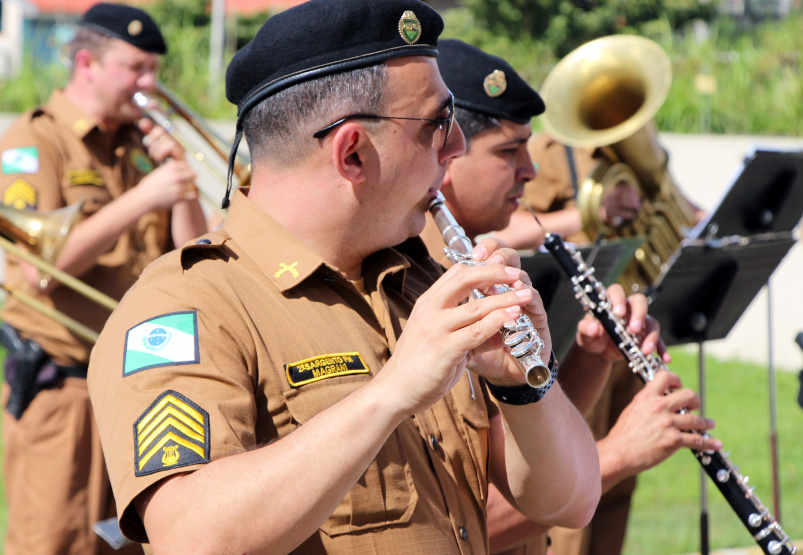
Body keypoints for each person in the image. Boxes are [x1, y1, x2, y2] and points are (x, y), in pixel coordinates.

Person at [87, 0, 604, 553]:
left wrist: (525, 384)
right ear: (353, 152)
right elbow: (189, 537)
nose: (454, 149)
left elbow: (567, 502)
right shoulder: (187, 304)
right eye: (438, 124)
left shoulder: (419, 282)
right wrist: (393, 392)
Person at [428, 39, 721, 555]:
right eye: (507, 151)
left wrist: (592, 356)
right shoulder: (426, 286)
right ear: (447, 154)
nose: (530, 170)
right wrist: (617, 454)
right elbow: (461, 523)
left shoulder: (479, 267)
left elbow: (527, 437)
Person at [0, 4, 209, 554]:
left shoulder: (140, 143)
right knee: (56, 543)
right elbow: (38, 271)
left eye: (154, 70)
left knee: (134, 544)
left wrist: (176, 182)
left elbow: (195, 261)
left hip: (144, 382)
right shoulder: (35, 143)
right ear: (87, 63)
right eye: (135, 68)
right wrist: (141, 199)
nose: (149, 86)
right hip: (64, 389)